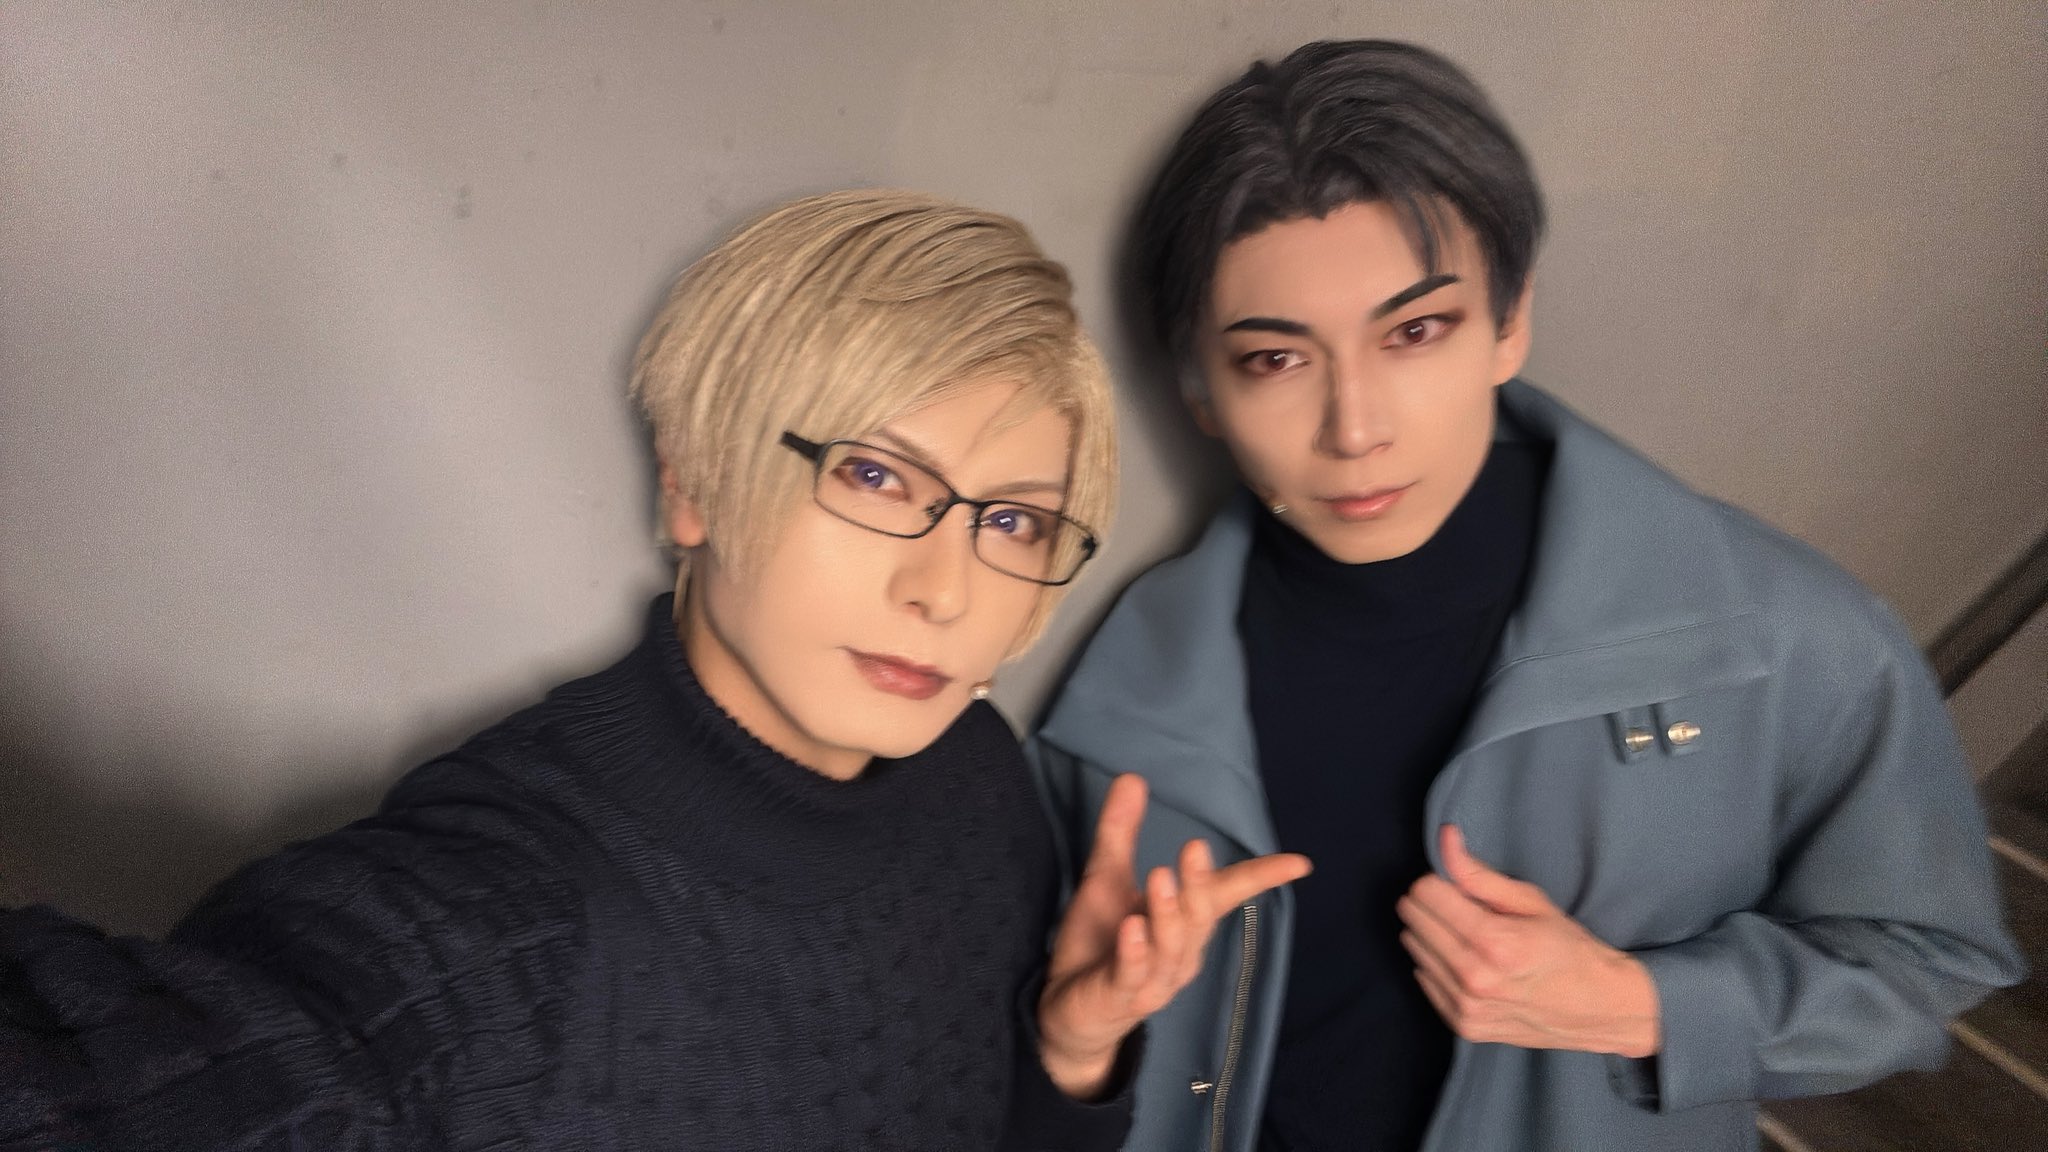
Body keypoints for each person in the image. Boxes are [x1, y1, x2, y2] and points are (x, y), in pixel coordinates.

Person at [0, 189, 1309, 1151]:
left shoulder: (974, 777)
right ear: (693, 485)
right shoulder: (494, 923)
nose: (945, 590)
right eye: (874, 476)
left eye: (1012, 520)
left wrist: (1071, 1055)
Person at [1029, 40, 2025, 1152]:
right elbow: (1072, 1041)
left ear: (1510, 323)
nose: (1354, 428)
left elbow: (1928, 959)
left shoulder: (1776, 634)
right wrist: (1078, 1047)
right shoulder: (1127, 697)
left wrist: (1640, 1006)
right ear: (1199, 390)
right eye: (1275, 359)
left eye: (1415, 332)